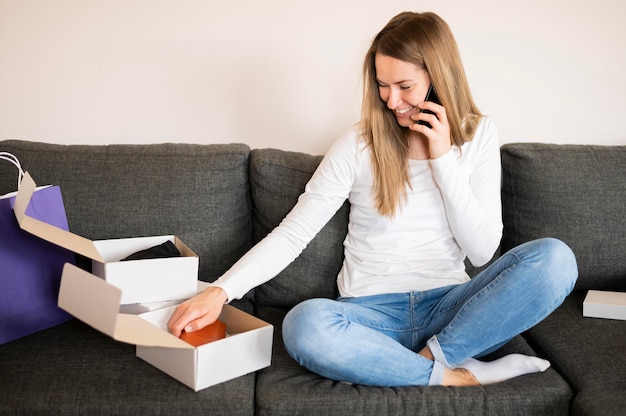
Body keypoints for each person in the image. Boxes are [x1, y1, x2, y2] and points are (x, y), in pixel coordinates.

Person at [168, 11, 577, 387]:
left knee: (556, 260)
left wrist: (443, 159)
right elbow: (294, 233)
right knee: (303, 325)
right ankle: (455, 376)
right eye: (382, 85)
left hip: (453, 311)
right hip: (369, 315)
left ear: (438, 78)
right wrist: (220, 291)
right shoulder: (357, 144)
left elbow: (483, 251)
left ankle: (428, 358)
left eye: (405, 86)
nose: (392, 100)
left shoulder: (479, 136)